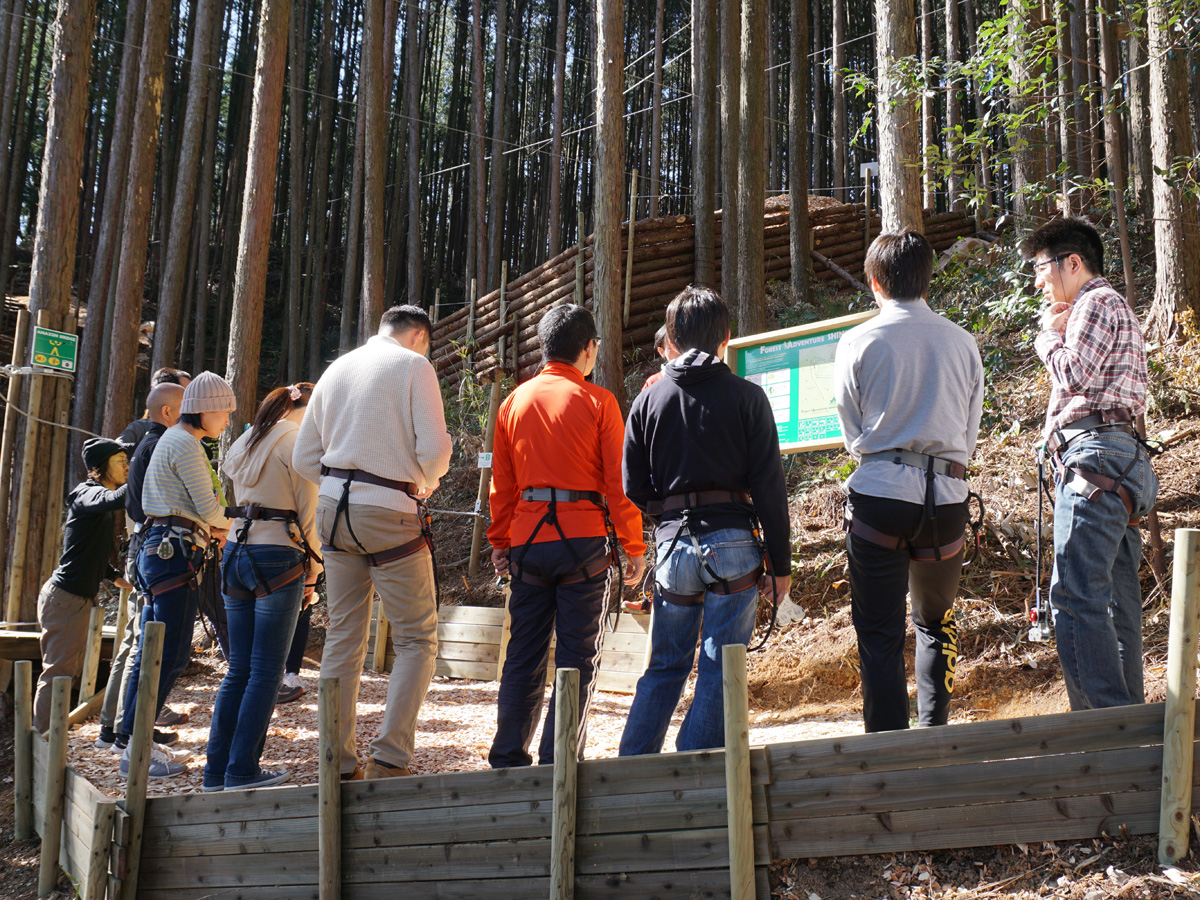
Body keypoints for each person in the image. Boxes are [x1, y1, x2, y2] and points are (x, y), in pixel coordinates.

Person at [619, 286, 791, 756]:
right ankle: (696, 767)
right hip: (733, 544)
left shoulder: (648, 401)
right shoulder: (748, 397)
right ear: (726, 337)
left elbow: (632, 483)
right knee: (720, 666)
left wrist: (666, 516)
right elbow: (770, 488)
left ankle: (631, 769)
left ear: (670, 338)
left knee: (664, 665)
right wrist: (780, 565)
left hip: (673, 547)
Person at [833, 231, 984, 733]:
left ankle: (887, 749)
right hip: (947, 498)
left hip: (880, 496)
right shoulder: (963, 342)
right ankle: (934, 734)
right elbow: (968, 432)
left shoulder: (858, 341)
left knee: (878, 631)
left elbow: (851, 431)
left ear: (875, 283)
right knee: (936, 622)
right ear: (927, 280)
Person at [294, 305, 452, 780]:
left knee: (343, 636)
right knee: (416, 639)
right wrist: (426, 481)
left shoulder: (336, 368)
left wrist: (337, 483)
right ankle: (389, 759)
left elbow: (304, 458)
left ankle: (337, 762)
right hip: (389, 511)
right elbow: (435, 450)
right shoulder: (414, 366)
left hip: (332, 512)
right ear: (419, 335)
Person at [487, 304, 646, 769]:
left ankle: (507, 759)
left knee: (523, 652)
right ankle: (559, 765)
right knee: (577, 657)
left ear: (544, 347)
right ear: (589, 348)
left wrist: (501, 541)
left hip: (529, 542)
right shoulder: (599, 402)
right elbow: (619, 485)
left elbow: (502, 484)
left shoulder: (513, 402)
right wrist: (633, 546)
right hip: (583, 544)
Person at [1020, 217, 1158, 710]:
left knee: (1075, 597)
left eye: (1041, 269)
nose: (1038, 282)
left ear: (1072, 262)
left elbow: (1074, 372)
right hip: (1116, 462)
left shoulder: (1096, 302)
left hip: (1095, 459)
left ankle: (1103, 731)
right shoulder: (1113, 306)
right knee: (1115, 605)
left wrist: (1046, 336)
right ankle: (1128, 727)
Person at [203, 383, 321, 791]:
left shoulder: (249, 438)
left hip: (236, 552)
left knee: (239, 668)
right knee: (267, 671)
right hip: (278, 556)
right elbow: (309, 514)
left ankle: (216, 770)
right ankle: (242, 770)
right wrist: (314, 569)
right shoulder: (298, 442)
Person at [119, 372, 235, 779]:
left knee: (154, 652)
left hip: (164, 551)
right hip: (173, 554)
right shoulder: (185, 444)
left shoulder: (177, 440)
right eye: (223, 412)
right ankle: (136, 747)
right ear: (203, 410)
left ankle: (133, 739)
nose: (226, 421)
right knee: (169, 654)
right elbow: (210, 508)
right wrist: (237, 525)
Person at [96, 382, 185, 751]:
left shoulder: (147, 441)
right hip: (151, 548)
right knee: (141, 644)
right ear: (166, 410)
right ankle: (124, 730)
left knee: (138, 642)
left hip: (142, 547)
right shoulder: (155, 442)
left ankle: (124, 728)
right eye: (185, 403)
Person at [33, 439, 131, 733]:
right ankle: (44, 742)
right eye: (121, 462)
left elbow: (88, 550)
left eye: (128, 462)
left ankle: (52, 736)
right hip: (65, 599)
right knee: (58, 675)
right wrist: (146, 474)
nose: (127, 467)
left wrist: (114, 576)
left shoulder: (97, 499)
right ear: (99, 468)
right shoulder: (87, 494)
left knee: (67, 673)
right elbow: (114, 499)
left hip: (76, 599)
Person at [118, 368, 192, 453]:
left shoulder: (190, 431)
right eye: (186, 393)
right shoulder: (141, 427)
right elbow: (116, 448)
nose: (192, 399)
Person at [641, 325, 676, 392]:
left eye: (680, 344)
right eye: (671, 347)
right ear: (661, 351)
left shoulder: (695, 376)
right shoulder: (653, 383)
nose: (677, 350)